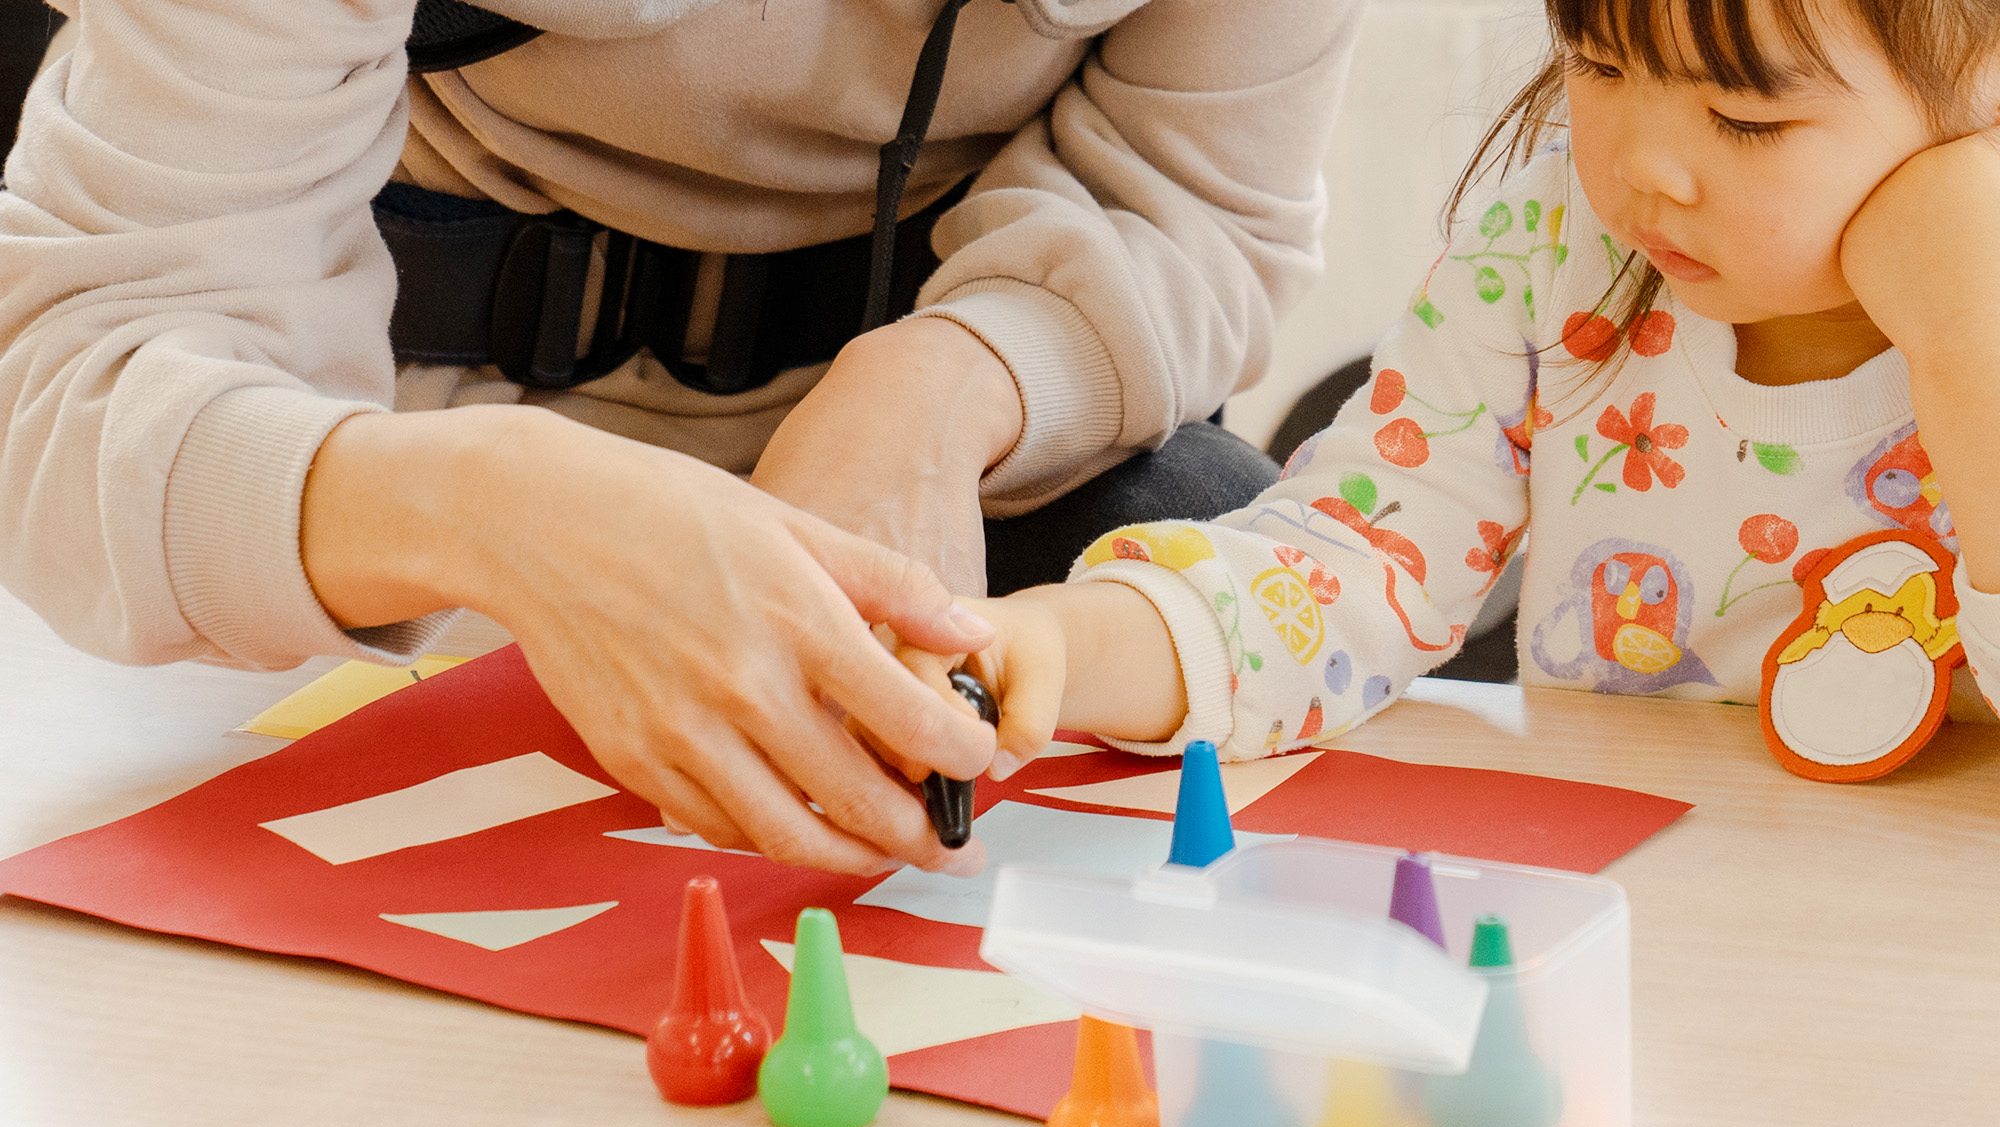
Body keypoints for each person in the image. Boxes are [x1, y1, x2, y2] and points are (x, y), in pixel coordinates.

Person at [0, 1, 1361, 875]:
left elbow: (1202, 209)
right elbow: (74, 392)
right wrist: (496, 517)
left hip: (961, 453)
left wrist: (943, 396)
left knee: (1215, 575)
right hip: (400, 468)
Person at [897, 0, 2000, 776]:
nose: (1640, 169)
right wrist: (1057, 642)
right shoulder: (1556, 237)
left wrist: (1969, 338)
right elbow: (1348, 561)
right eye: (1599, 60)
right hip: (1633, 916)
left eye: (1746, 117)